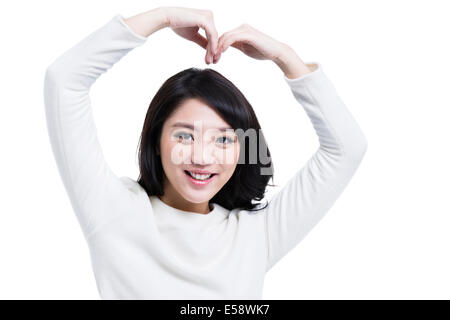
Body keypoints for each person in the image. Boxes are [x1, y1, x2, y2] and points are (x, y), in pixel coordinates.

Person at [43, 6, 368, 299]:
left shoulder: (256, 234)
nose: (202, 157)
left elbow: (347, 147)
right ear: (157, 141)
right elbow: (64, 80)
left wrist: (284, 56)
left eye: (223, 140)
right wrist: (164, 17)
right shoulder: (114, 211)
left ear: (243, 151)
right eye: (185, 136)